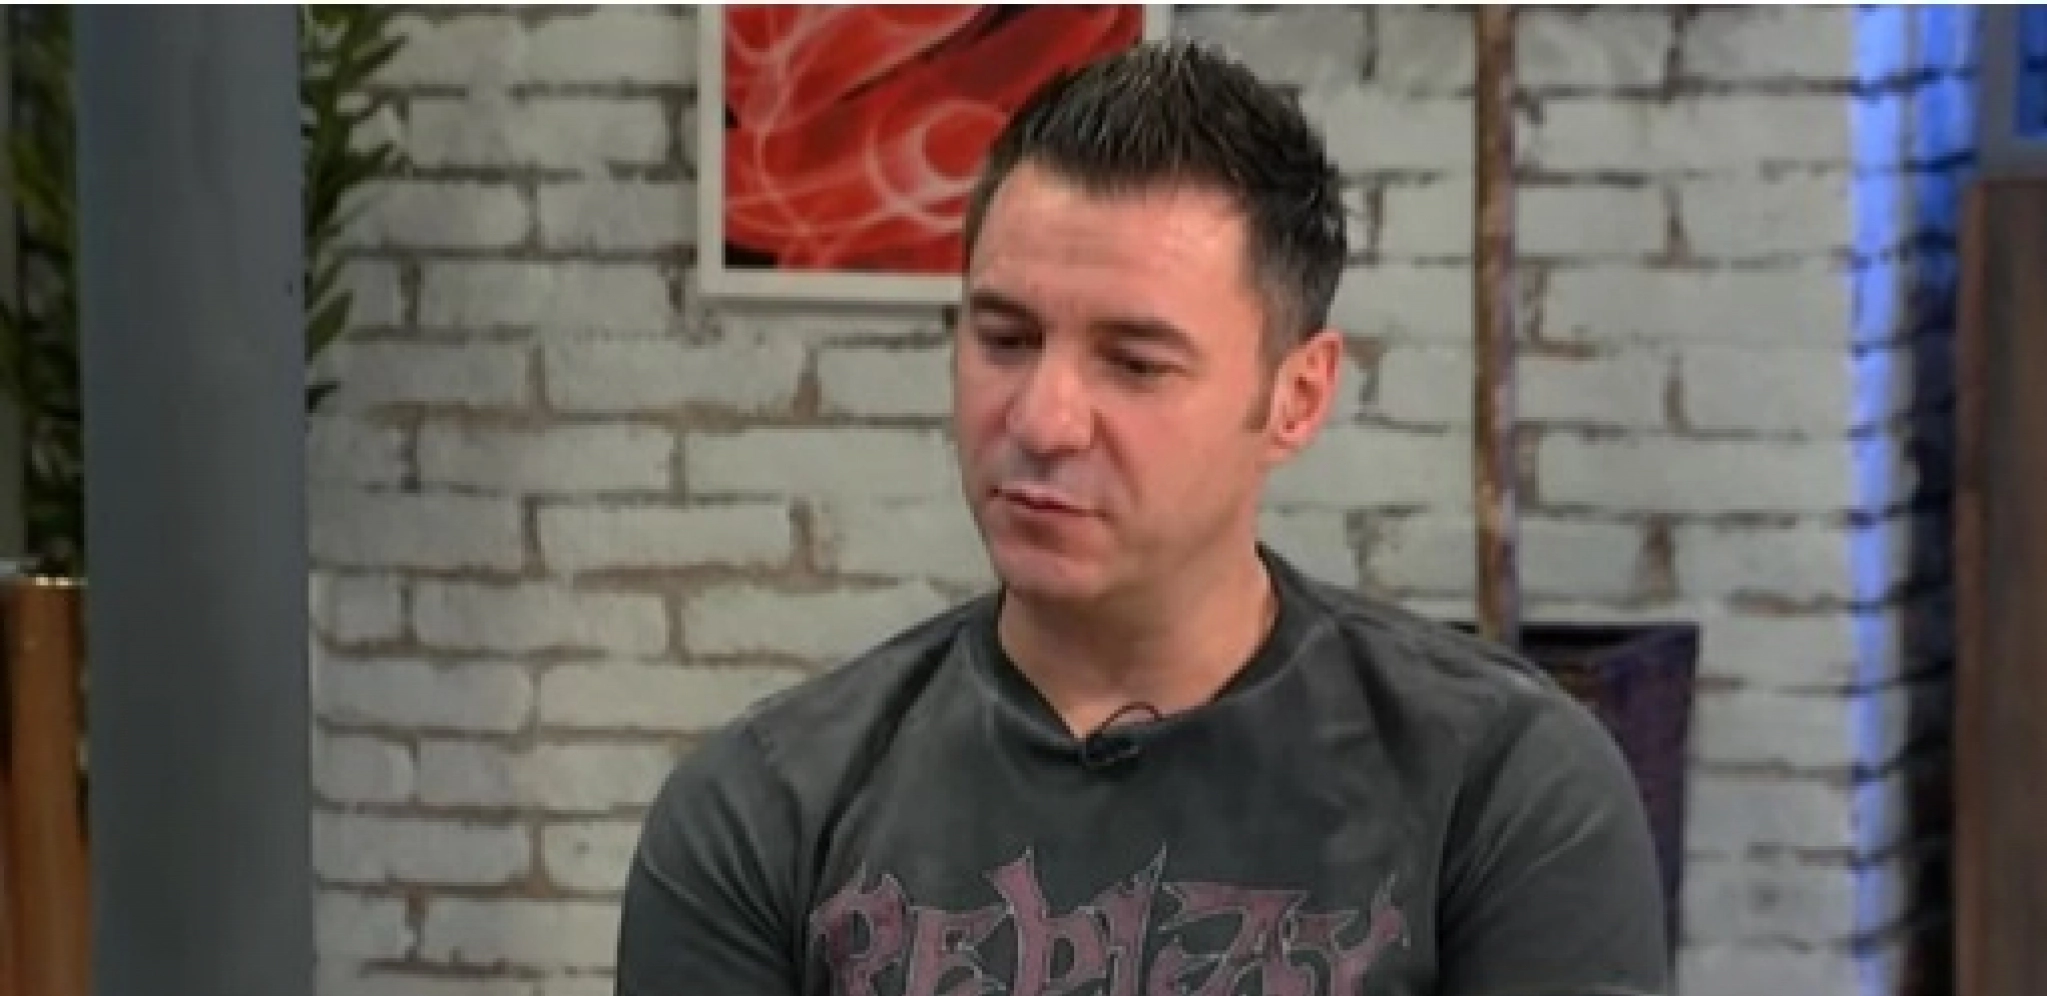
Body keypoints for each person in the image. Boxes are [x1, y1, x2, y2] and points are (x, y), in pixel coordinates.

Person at [615, 40, 1670, 996]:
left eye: (1133, 363)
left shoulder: (1500, 788)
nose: (1043, 419)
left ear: (1296, 396)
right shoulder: (764, 812)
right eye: (1004, 339)